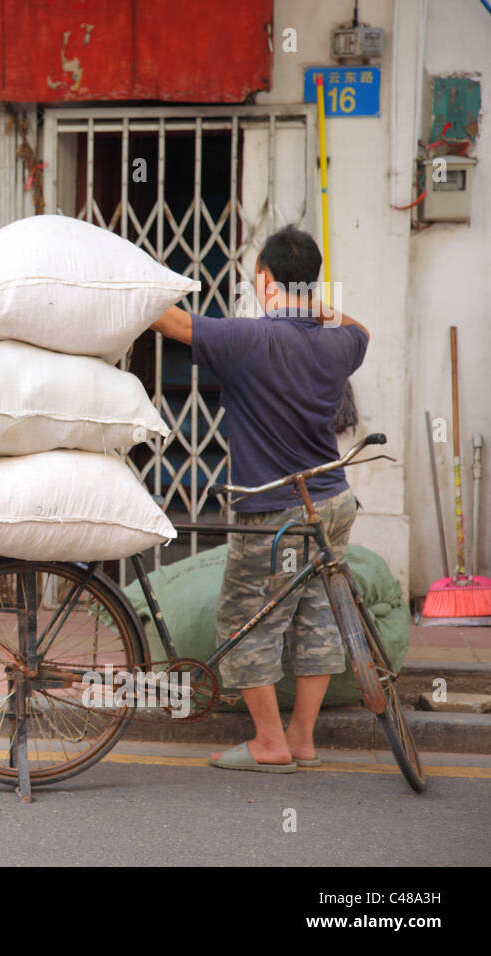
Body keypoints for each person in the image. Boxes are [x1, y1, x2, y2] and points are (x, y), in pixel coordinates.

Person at [149, 225, 369, 773]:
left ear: (265, 279)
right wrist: (310, 305)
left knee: (247, 618)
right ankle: (301, 739)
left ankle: (269, 742)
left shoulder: (246, 339)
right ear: (313, 285)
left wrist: (118, 282)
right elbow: (361, 327)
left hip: (275, 509)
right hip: (332, 502)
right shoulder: (341, 343)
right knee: (316, 612)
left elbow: (170, 321)